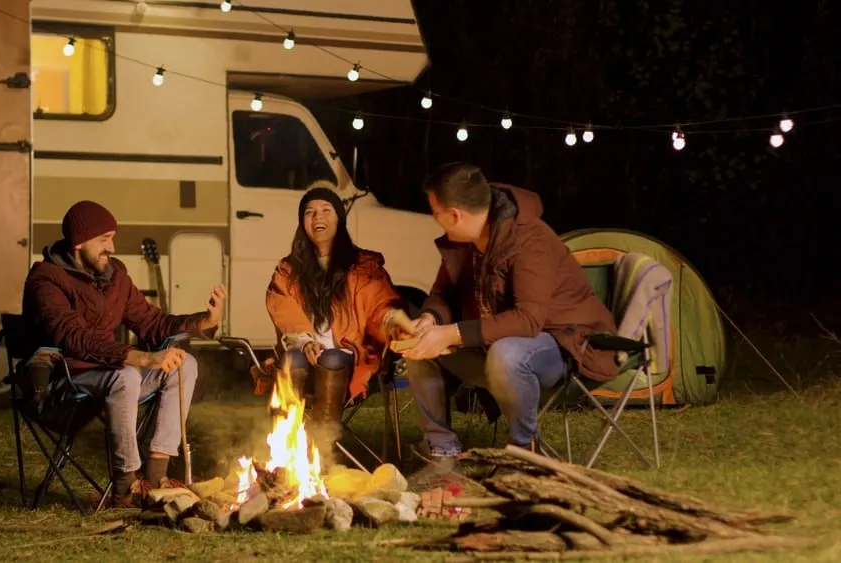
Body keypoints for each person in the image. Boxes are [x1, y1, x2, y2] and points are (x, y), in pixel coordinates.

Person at [398, 162, 618, 484]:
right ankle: (443, 454)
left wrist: (453, 333)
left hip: (563, 343)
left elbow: (528, 320)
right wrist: (431, 320)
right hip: (494, 343)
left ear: (455, 214)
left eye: (436, 213)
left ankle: (523, 456)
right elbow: (443, 292)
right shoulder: (464, 242)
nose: (436, 221)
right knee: (420, 352)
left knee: (507, 354)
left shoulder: (530, 240)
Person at [22, 200, 226, 507]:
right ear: (79, 243)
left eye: (112, 237)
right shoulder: (46, 280)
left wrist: (204, 322)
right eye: (104, 239)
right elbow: (73, 337)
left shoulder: (115, 276)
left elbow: (153, 322)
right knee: (127, 375)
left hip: (111, 377)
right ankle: (126, 485)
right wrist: (143, 358)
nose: (112, 246)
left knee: (186, 365)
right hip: (64, 381)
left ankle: (157, 475)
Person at [264, 187, 405, 434]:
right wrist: (305, 341)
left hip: (351, 358)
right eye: (310, 213)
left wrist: (391, 321)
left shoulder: (363, 266)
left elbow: (380, 306)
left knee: (332, 357)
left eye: (326, 211)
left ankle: (323, 443)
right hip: (305, 358)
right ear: (302, 223)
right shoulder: (289, 271)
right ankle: (286, 441)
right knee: (292, 357)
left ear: (339, 219)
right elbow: (282, 308)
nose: (318, 217)